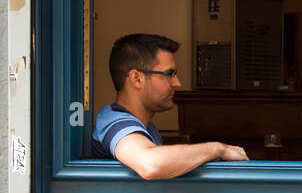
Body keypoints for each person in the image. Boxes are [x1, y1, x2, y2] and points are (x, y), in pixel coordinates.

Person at [91, 33, 248, 179]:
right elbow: (151, 163)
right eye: (169, 74)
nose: (177, 83)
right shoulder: (114, 121)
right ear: (136, 79)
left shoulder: (146, 127)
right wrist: (218, 149)